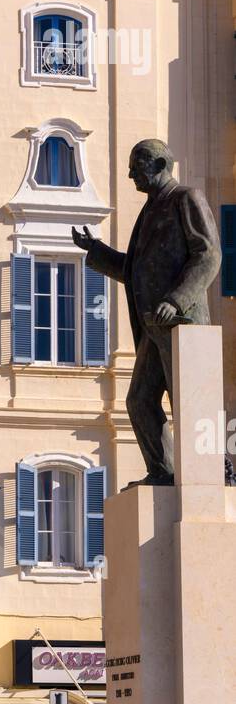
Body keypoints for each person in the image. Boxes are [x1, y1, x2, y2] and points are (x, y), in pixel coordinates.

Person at [72, 139, 221, 486]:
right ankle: (164, 472)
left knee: (191, 407)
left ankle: (206, 480)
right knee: (139, 402)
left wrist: (178, 299)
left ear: (157, 165)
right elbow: (135, 270)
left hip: (182, 325)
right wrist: (95, 251)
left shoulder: (186, 198)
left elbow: (209, 254)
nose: (129, 175)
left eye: (135, 168)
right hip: (154, 329)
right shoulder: (150, 210)